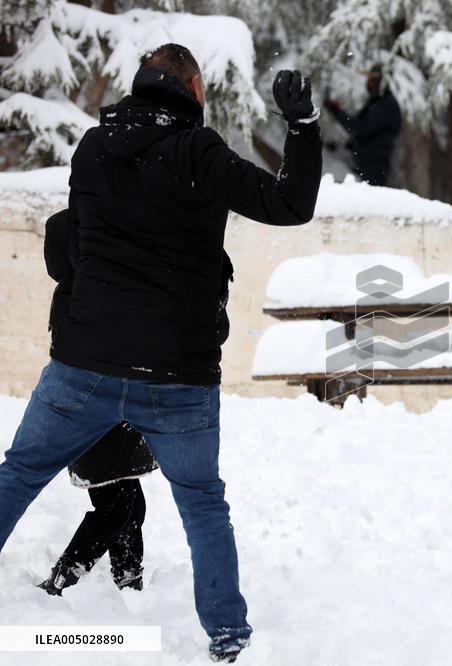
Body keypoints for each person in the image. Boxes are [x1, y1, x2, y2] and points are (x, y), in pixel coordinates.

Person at [0, 43, 321, 663]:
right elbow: (289, 204)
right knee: (202, 503)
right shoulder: (198, 152)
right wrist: (302, 128)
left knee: (17, 477)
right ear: (194, 88)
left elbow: (69, 246)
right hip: (177, 372)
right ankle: (228, 636)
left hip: (84, 365)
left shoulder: (93, 149)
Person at [37, 209, 159, 596]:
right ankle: (63, 578)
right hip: (94, 413)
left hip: (114, 412)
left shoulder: (86, 292)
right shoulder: (81, 298)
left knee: (129, 501)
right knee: (117, 504)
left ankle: (128, 578)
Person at [323, 63, 402, 186]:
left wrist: (336, 112)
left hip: (374, 168)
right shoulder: (377, 102)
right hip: (365, 165)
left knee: (371, 202)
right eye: (369, 79)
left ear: (382, 81)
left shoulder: (387, 105)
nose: (369, 83)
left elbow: (360, 128)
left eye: (373, 79)